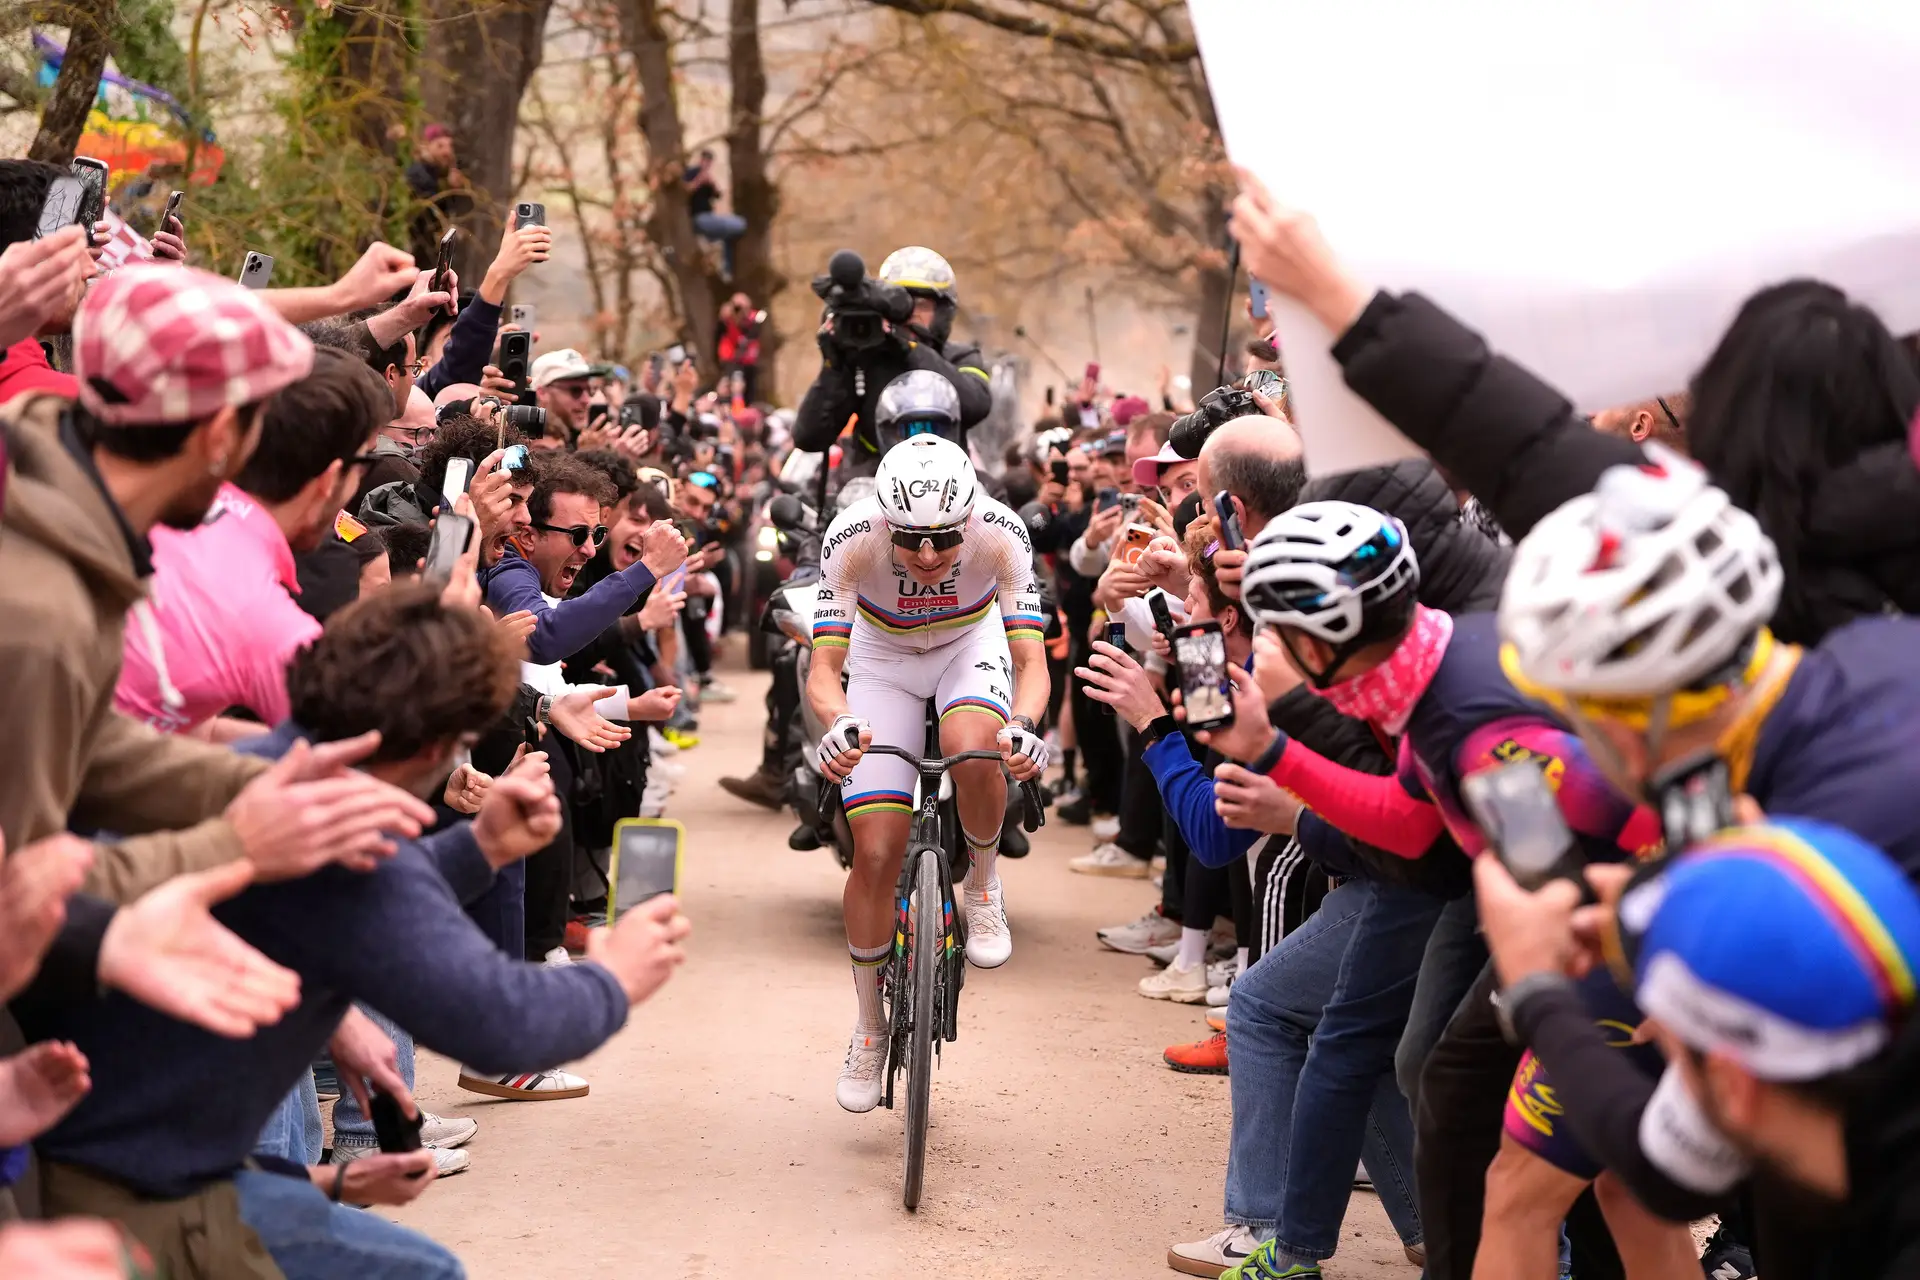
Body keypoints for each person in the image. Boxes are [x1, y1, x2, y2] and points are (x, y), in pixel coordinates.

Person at [18, 584, 692, 1279]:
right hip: (141, 1198)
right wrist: (614, 977)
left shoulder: (268, 769)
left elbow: (350, 906)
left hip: (122, 1155)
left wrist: (478, 848)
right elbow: (505, 1025)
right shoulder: (351, 843)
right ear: (442, 743)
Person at [808, 436, 1049, 1112]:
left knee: (975, 746)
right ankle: (868, 1025)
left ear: (967, 517)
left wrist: (1024, 728)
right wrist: (837, 724)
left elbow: (1031, 663)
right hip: (880, 659)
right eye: (911, 538)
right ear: (886, 520)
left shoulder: (1001, 535)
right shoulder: (851, 538)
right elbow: (825, 671)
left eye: (943, 538)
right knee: (876, 849)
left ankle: (983, 883)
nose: (927, 556)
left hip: (967, 647)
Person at [115, 347, 392, 738]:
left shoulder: (154, 499)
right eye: (366, 462)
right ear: (331, 478)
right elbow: (365, 759)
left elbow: (200, 730)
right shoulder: (266, 621)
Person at [792, 246, 992, 474]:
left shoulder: (961, 356)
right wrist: (835, 365)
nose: (910, 315)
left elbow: (976, 405)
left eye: (921, 305)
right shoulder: (865, 359)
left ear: (942, 313)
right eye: (901, 306)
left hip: (946, 483)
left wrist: (908, 348)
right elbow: (809, 438)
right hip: (870, 489)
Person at [405, 122, 470, 266]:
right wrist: (449, 189)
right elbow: (431, 209)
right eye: (440, 146)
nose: (447, 152)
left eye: (449, 146)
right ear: (426, 146)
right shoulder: (418, 173)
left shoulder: (440, 175)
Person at [684, 148, 746, 279]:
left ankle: (727, 270)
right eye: (704, 160)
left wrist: (711, 182)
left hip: (709, 216)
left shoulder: (708, 176)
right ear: (700, 160)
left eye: (709, 161)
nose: (706, 164)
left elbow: (717, 195)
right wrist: (699, 180)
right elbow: (685, 192)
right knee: (738, 225)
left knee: (731, 233)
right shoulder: (691, 173)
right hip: (698, 218)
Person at [531, 348, 598, 445]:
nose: (586, 400)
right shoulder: (528, 443)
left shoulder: (595, 440)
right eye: (575, 391)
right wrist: (588, 456)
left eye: (589, 390)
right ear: (542, 393)